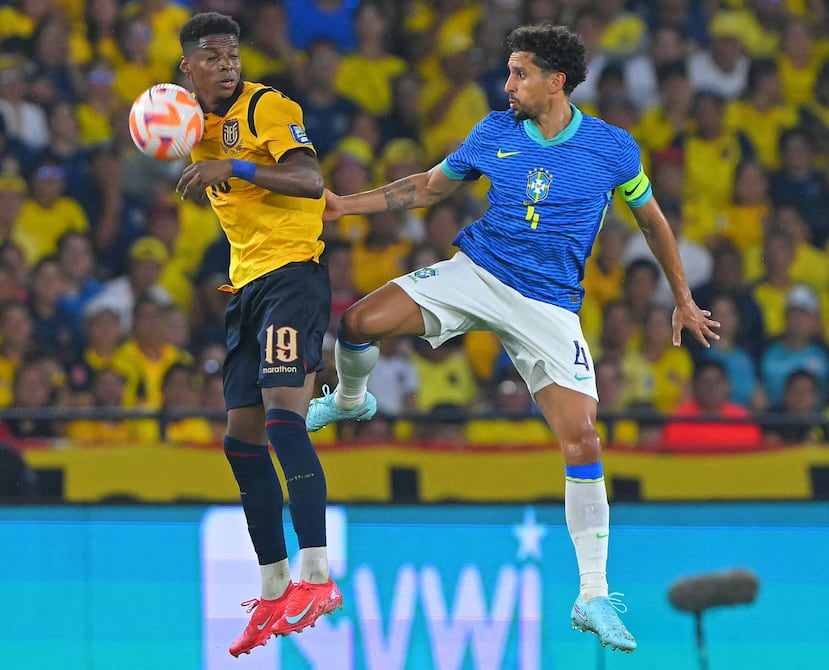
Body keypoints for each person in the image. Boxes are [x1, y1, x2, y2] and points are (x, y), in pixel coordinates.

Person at [306, 24, 721, 653]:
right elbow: (428, 187)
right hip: (477, 273)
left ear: (556, 81)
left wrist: (684, 299)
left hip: (548, 307)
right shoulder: (494, 131)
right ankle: (348, 400)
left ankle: (592, 594)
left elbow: (653, 223)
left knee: (583, 439)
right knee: (358, 323)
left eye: (519, 73)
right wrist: (343, 206)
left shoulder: (612, 148)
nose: (507, 85)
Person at [173, 11, 341, 657]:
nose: (226, 65)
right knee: (240, 442)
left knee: (281, 421)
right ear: (188, 66)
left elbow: (310, 180)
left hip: (292, 276)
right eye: (211, 56)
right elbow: (164, 128)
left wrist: (235, 168)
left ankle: (317, 577)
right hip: (245, 290)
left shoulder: (267, 107)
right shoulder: (190, 122)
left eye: (232, 55)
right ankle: (273, 589)